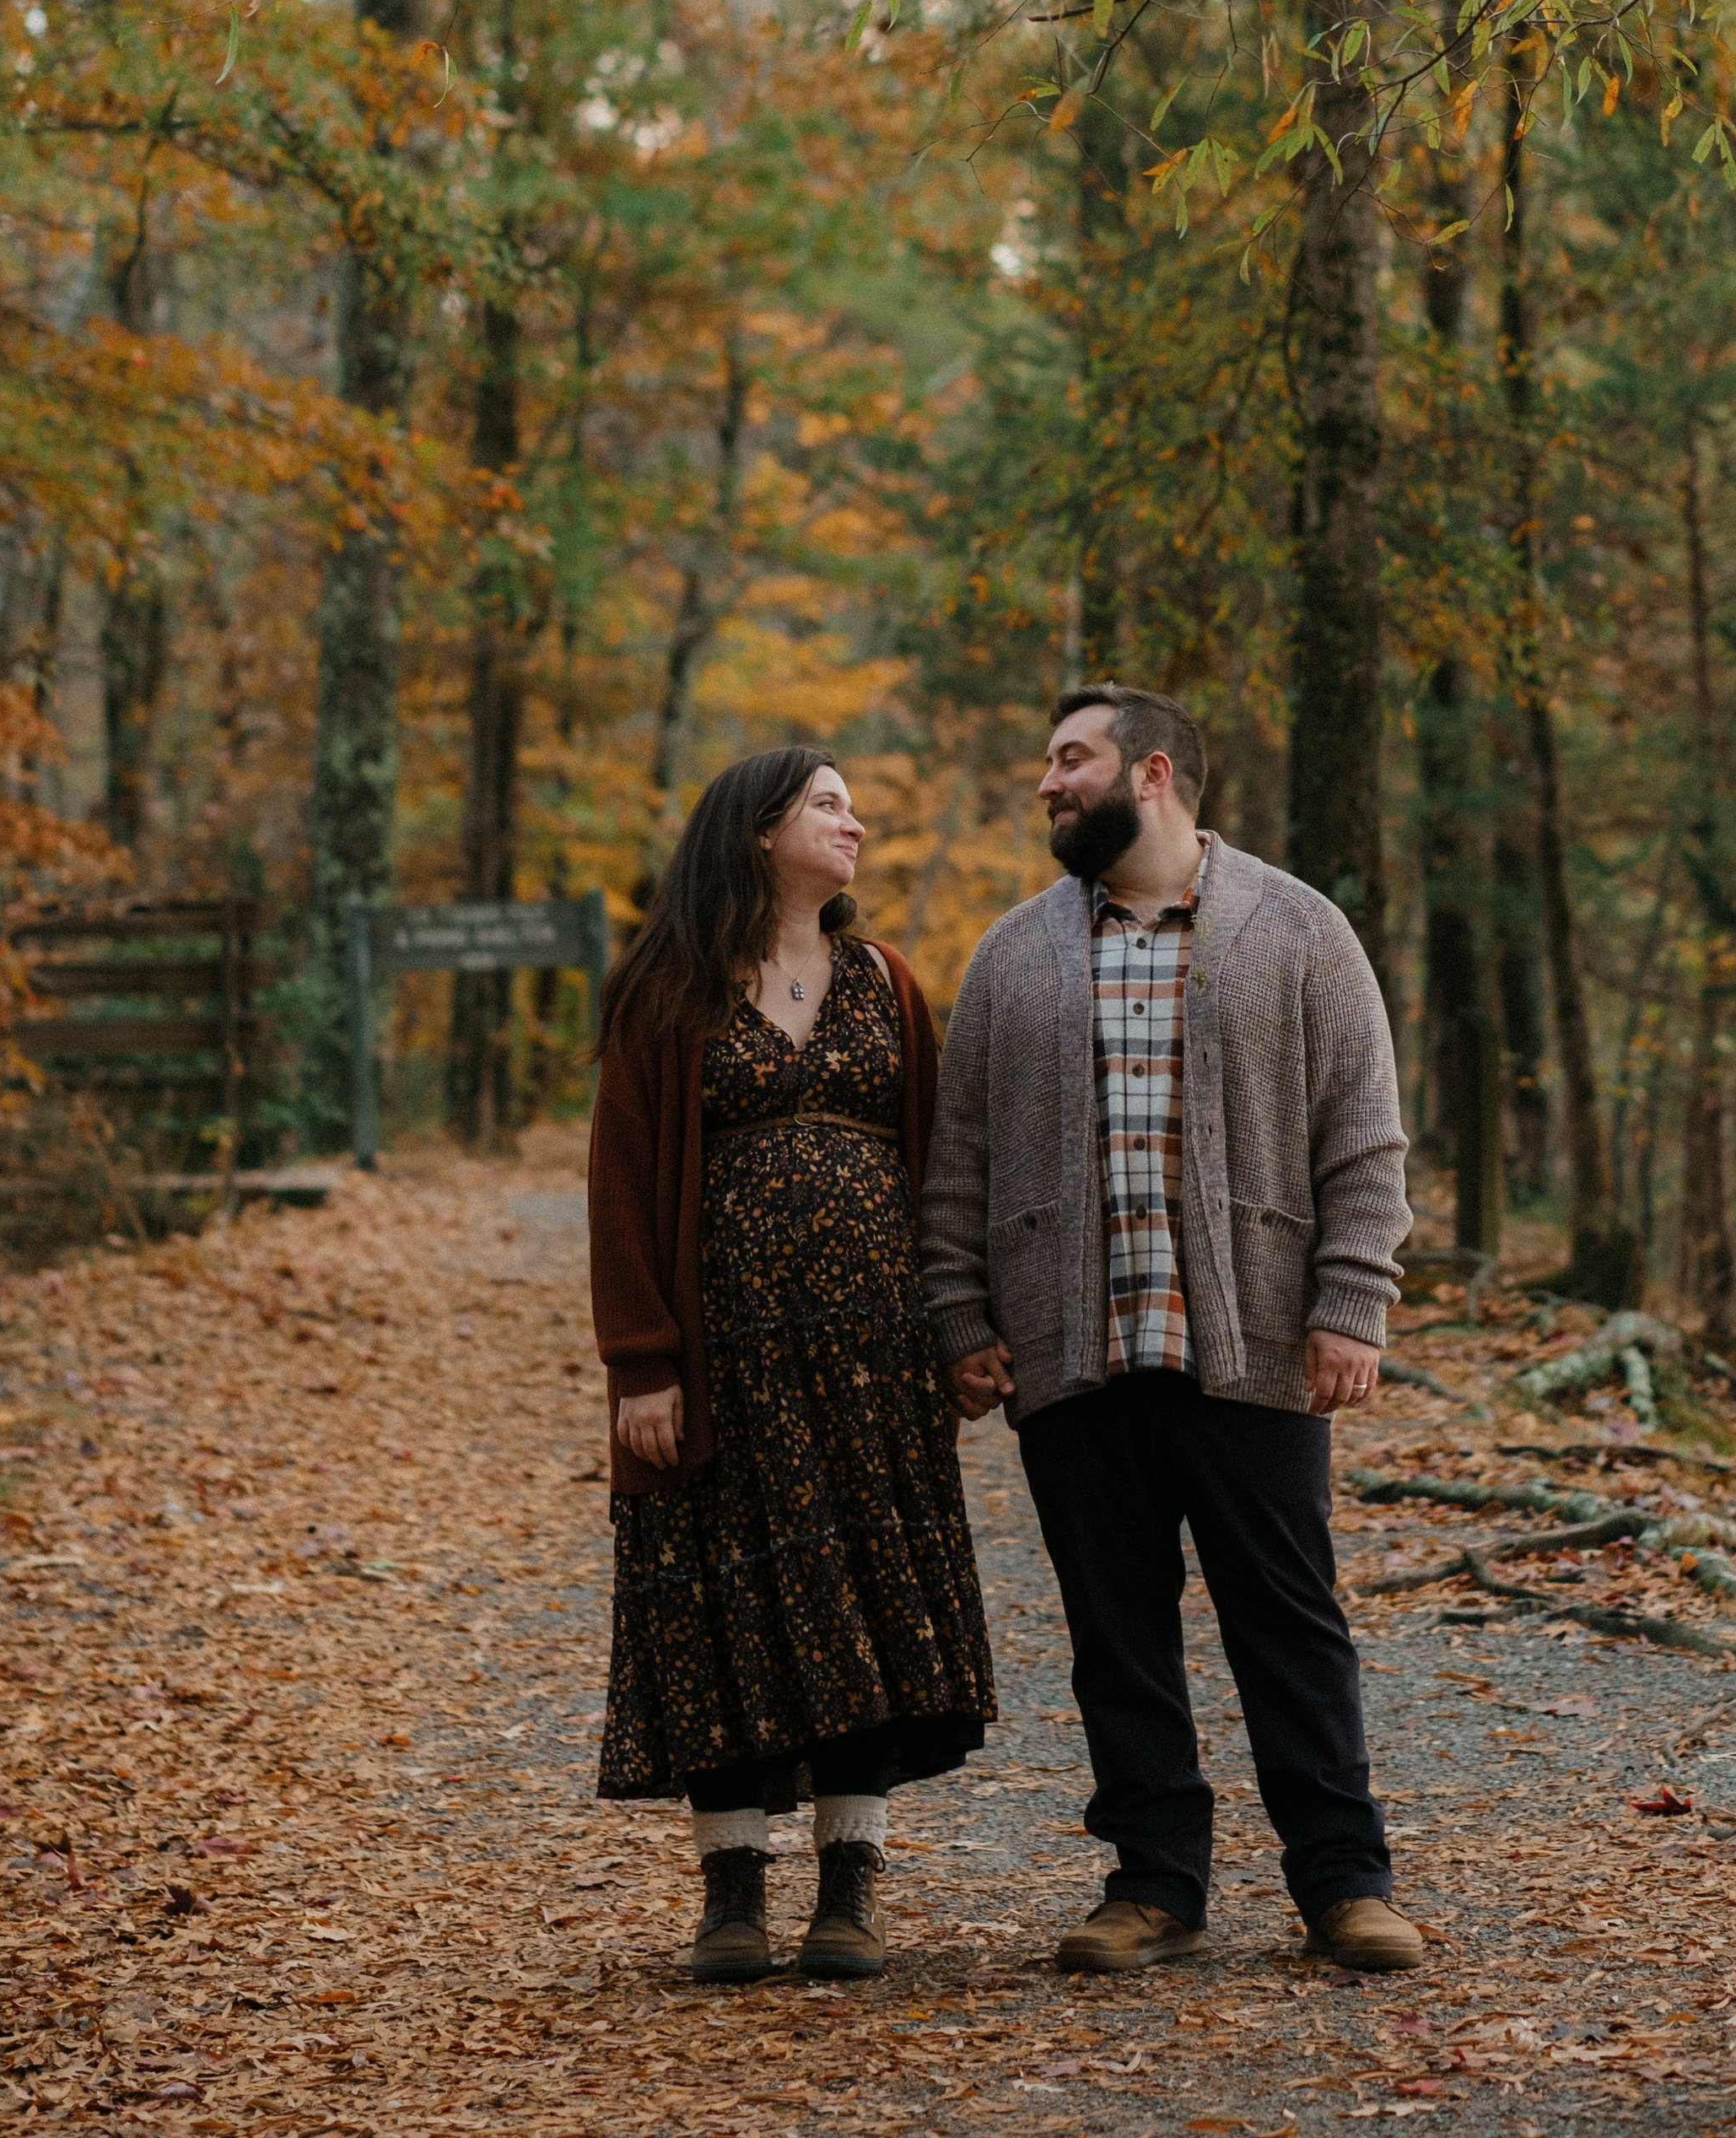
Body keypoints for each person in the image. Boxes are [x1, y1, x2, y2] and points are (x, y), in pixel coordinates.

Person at [919, 683, 1420, 1975]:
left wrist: (1350, 1302)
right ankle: (1152, 1885)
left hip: (1252, 1347)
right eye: (1047, 762)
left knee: (1289, 1623)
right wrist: (961, 1315)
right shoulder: (1011, 954)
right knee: (1116, 1635)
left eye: (1071, 759)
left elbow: (1363, 1137)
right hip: (1072, 1354)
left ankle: (1344, 1883)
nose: (1048, 782)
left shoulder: (1298, 927)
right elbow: (958, 1160)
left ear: (1152, 772)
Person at [589, 745, 995, 1986]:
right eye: (828, 803)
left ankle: (849, 1889)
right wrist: (643, 1364)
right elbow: (620, 1186)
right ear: (759, 830)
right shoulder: (670, 989)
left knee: (857, 1602)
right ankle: (731, 1895)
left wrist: (959, 1327)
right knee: (726, 1605)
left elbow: (939, 1170)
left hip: (874, 1363)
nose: (853, 822)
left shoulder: (887, 981)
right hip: (726, 1367)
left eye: (853, 805)